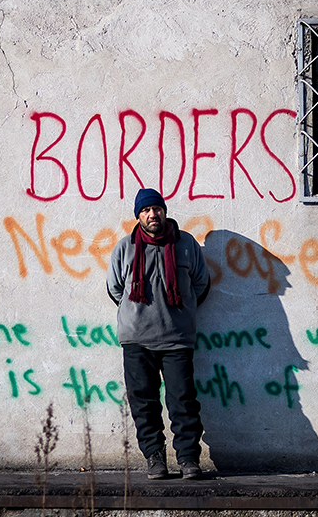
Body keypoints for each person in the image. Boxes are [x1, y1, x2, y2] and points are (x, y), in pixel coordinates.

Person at [107, 188, 210, 480]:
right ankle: (155, 459)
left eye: (157, 209)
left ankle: (189, 459)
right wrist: (136, 314)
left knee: (184, 401)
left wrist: (181, 311)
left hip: (176, 339)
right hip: (136, 340)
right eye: (146, 211)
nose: (153, 215)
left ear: (164, 210)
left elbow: (201, 285)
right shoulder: (125, 248)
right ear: (138, 216)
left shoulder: (186, 244)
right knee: (144, 403)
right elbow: (115, 288)